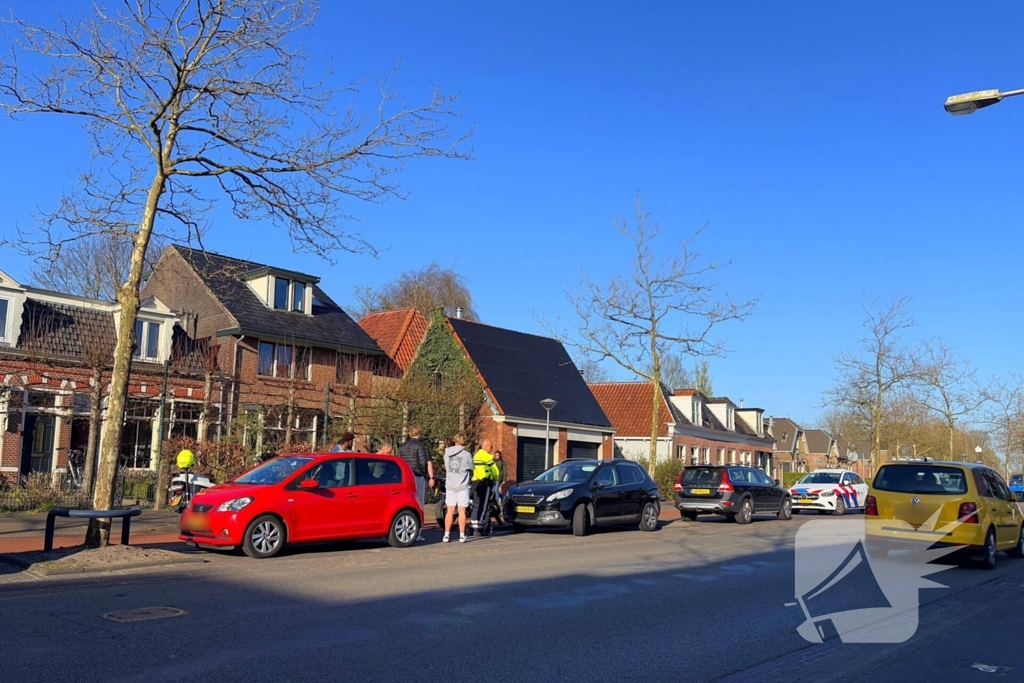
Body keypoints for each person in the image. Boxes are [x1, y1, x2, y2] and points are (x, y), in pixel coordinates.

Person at [398, 426, 434, 541]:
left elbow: (399, 461)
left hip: (405, 477)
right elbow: (424, 462)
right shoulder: (420, 446)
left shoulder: (402, 447)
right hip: (417, 476)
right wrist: (427, 475)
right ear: (419, 434)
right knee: (419, 504)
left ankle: (408, 529)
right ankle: (417, 532)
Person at [442, 434, 474, 543]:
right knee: (462, 511)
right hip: (462, 486)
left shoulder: (447, 454)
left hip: (450, 484)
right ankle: (461, 535)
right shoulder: (467, 455)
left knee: (449, 510)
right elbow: (470, 468)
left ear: (455, 440)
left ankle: (446, 535)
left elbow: (446, 467)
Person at [471, 439, 500, 535]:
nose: (491, 449)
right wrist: (495, 479)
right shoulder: (486, 456)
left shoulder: (476, 455)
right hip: (485, 483)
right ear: (486, 446)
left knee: (476, 504)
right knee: (484, 506)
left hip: (476, 482)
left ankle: (473, 526)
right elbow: (495, 471)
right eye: (491, 447)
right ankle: (481, 527)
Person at [492, 450, 508, 522]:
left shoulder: (502, 462)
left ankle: (496, 502)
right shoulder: (493, 461)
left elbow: (505, 471)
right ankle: (503, 498)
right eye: (496, 455)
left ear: (500, 455)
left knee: (496, 490)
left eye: (498, 455)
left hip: (499, 478)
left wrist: (504, 479)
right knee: (493, 490)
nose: (496, 456)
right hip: (493, 478)